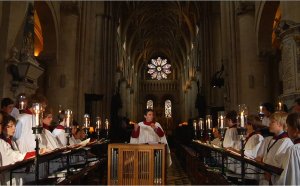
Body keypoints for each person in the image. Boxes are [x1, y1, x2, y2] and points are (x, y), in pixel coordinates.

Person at [256, 111, 293, 184]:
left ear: (280, 124)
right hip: (266, 175)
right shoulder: (271, 139)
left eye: (272, 122)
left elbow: (279, 162)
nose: (269, 124)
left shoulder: (286, 141)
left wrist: (262, 159)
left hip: (274, 178)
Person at [0, 115, 35, 185]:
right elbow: (15, 157)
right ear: (4, 127)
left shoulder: (12, 141)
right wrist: (35, 153)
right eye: (10, 126)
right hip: (8, 177)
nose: (14, 128)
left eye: (14, 125)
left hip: (16, 173)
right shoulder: (2, 143)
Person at [276, 112, 300, 185]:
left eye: (288, 127)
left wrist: (272, 179)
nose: (286, 130)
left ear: (295, 130)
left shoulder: (294, 149)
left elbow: (290, 179)